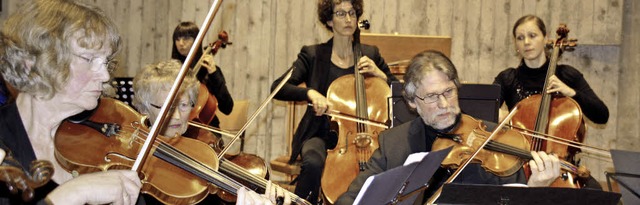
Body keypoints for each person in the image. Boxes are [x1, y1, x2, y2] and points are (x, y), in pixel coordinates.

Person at [335, 50, 561, 205]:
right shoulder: (393, 143)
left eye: (448, 92)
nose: (444, 105)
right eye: (432, 97)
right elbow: (351, 199)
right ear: (412, 102)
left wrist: (536, 188)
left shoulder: (497, 140)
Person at [0, 0, 142, 204]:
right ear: (34, 62)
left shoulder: (102, 145)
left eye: (106, 62)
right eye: (89, 59)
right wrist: (74, 193)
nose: (104, 75)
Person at [270, 0, 397, 203]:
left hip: (365, 136)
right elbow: (278, 87)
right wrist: (310, 93)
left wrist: (379, 74)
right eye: (340, 14)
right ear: (329, 20)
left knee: (390, 161)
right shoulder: (312, 54)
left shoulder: (370, 53)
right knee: (313, 162)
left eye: (352, 13)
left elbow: (399, 94)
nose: (348, 19)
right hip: (319, 132)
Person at [132, 59, 291, 205]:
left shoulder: (203, 143)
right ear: (144, 108)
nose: (177, 116)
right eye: (167, 107)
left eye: (184, 105)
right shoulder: (137, 161)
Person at [493, 15, 609, 125]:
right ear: (516, 45)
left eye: (532, 35)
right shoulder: (507, 78)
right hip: (518, 145)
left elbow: (602, 116)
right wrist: (496, 114)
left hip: (557, 147)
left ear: (545, 39)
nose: (526, 42)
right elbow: (482, 112)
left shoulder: (566, 75)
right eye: (520, 38)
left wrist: (571, 92)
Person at [171, 21, 234, 129]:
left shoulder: (209, 71)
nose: (181, 43)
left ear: (197, 41)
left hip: (204, 131)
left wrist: (213, 74)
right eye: (177, 39)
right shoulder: (170, 72)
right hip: (176, 128)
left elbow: (227, 108)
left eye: (186, 38)